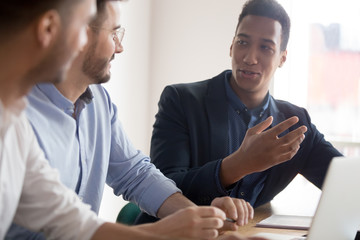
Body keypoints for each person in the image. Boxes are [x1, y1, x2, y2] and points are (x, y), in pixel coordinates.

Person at [0, 0, 263, 239]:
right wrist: (163, 232)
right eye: (81, 27)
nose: (119, 46)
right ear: (49, 29)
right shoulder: (21, 117)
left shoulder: (15, 122)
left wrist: (196, 225)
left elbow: (72, 221)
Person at [149, 0, 343, 210]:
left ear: (282, 58)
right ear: (231, 46)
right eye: (243, 43)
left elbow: (345, 182)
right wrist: (237, 165)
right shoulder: (181, 100)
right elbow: (160, 188)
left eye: (266, 47)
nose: (250, 58)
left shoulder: (294, 123)